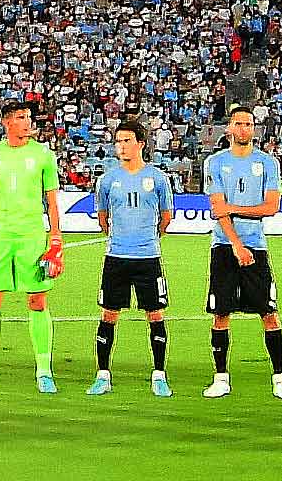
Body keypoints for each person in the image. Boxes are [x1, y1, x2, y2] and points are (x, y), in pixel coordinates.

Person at [0, 101, 64, 393]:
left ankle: (44, 372)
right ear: (7, 121)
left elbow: (52, 201)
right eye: (21, 117)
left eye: (28, 117)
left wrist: (55, 240)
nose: (27, 122)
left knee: (37, 302)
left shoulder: (43, 155)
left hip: (32, 236)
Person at [202, 104, 282, 399]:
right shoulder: (215, 163)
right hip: (225, 247)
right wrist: (237, 244)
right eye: (238, 123)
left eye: (248, 124)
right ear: (229, 128)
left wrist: (235, 208)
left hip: (257, 247)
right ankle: (221, 377)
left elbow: (272, 207)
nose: (244, 129)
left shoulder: (267, 163)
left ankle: (280, 378)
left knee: (269, 312)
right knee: (221, 313)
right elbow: (218, 209)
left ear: (254, 129)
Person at [87, 118, 175, 397]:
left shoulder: (158, 178)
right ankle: (103, 375)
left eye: (127, 141)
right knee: (109, 314)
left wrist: (148, 238)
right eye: (118, 141)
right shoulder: (107, 180)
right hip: (116, 256)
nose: (121, 146)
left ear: (140, 144)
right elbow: (103, 217)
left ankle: (159, 375)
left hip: (148, 256)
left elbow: (166, 217)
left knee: (155, 313)